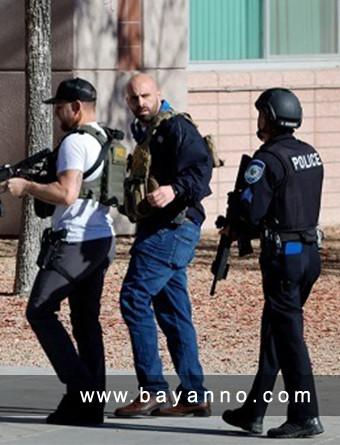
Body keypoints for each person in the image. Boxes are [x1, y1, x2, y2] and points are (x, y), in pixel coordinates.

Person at [0, 78, 117, 426]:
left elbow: (66, 194)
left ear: (76, 108)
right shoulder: (105, 137)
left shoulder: (75, 143)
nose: (57, 115)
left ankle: (80, 388)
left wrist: (26, 187)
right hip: (101, 240)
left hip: (76, 242)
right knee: (85, 323)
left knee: (39, 310)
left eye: (61, 107)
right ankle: (89, 406)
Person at [220, 88, 324, 439]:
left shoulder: (267, 160)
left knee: (290, 337)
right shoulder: (309, 154)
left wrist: (236, 221)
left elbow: (252, 211)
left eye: (261, 113)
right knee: (276, 334)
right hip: (309, 254)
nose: (258, 119)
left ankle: (305, 415)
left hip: (285, 261)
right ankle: (254, 411)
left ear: (271, 117)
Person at [114, 73, 213, 418]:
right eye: (133, 98)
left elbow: (201, 171)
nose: (139, 103)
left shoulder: (176, 128)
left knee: (134, 297)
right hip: (160, 228)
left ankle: (153, 390)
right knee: (172, 310)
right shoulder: (146, 130)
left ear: (159, 94)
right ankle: (194, 394)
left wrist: (173, 189)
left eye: (145, 96)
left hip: (172, 228)